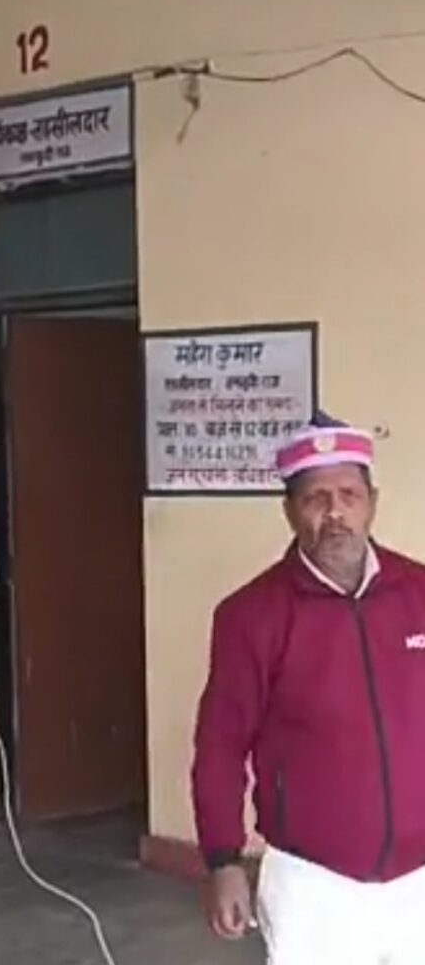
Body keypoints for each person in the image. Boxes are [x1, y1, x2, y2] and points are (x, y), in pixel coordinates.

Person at [192, 411, 425, 965]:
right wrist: (224, 860)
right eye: (316, 499)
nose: (335, 513)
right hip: (313, 885)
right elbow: (220, 745)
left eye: (349, 495)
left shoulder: (419, 592)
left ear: (372, 502)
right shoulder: (251, 615)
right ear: (290, 510)